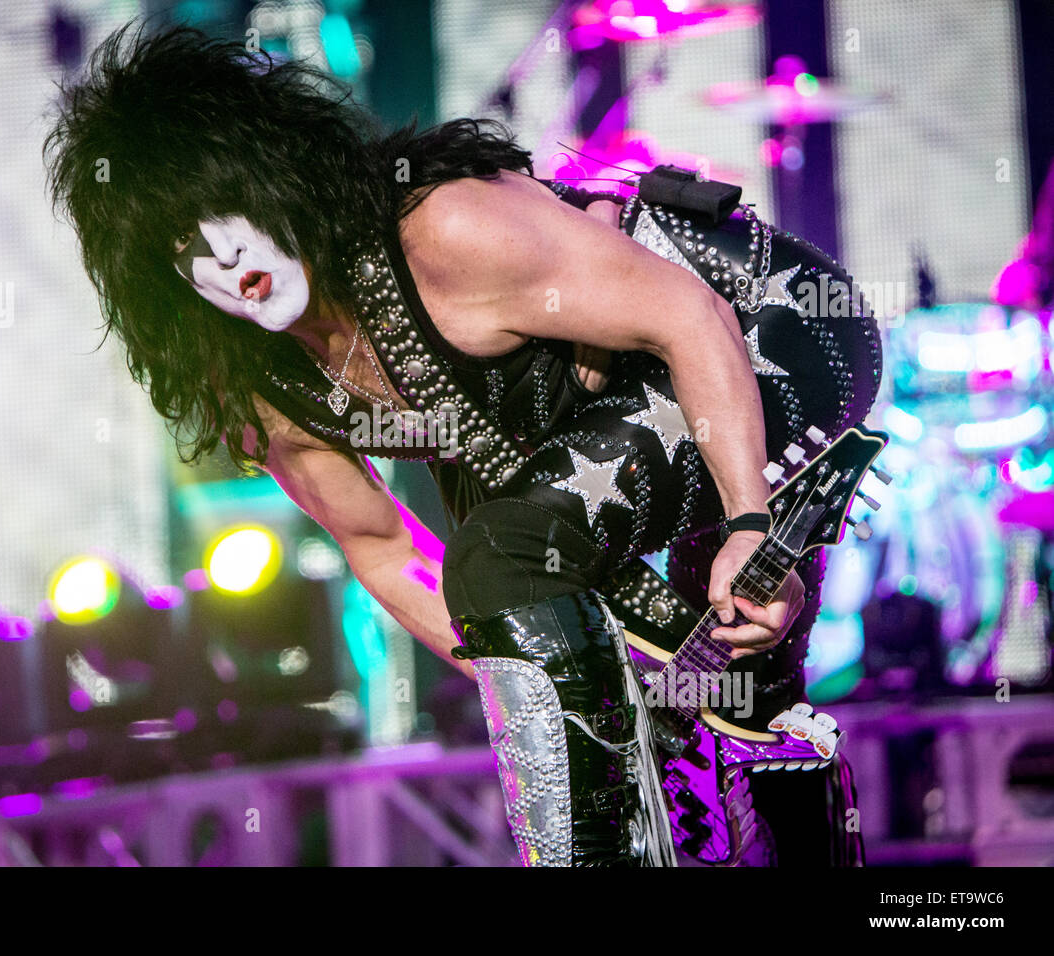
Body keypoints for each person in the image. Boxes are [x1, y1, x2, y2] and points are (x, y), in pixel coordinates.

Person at [45, 22, 881, 866]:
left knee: (506, 549)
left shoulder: (440, 231)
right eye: (182, 248)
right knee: (720, 704)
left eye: (220, 209)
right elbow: (380, 547)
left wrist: (747, 521)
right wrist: (545, 672)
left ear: (276, 175)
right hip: (609, 423)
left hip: (772, 330)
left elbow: (687, 319)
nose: (223, 256)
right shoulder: (266, 387)